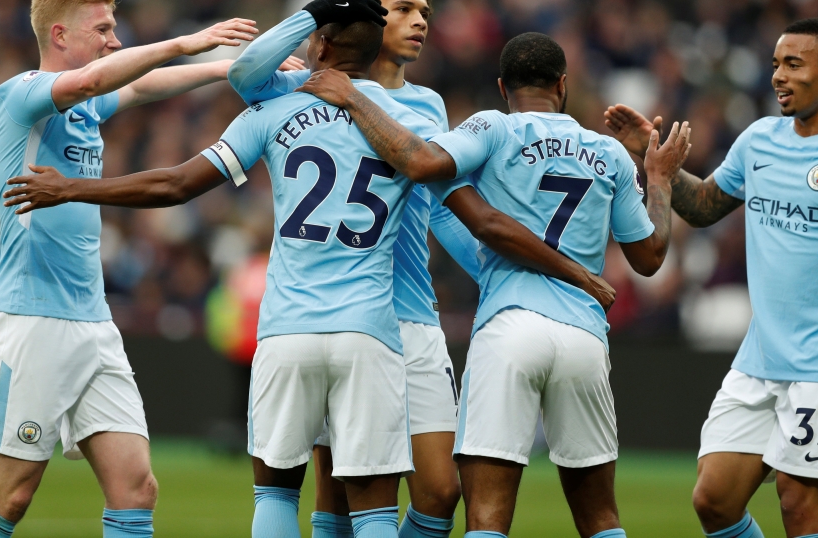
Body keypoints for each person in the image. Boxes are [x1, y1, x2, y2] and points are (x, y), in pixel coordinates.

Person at [1, 0, 613, 538]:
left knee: (276, 492)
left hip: (288, 331)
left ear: (317, 41)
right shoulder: (410, 128)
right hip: (370, 335)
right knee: (373, 508)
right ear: (378, 51)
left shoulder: (274, 111)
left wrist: (77, 188)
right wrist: (546, 273)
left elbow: (174, 185)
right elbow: (464, 214)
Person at [227, 0, 614, 538]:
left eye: (424, 10)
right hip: (346, 308)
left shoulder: (426, 105)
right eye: (403, 8)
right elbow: (245, 72)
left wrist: (492, 271)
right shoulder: (306, 85)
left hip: (410, 314)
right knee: (336, 494)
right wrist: (317, 12)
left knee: (439, 491)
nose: (420, 21)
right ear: (366, 18)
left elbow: (447, 211)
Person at [295, 32, 691, 538]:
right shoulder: (608, 151)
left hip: (510, 327)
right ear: (563, 85)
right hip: (584, 338)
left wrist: (355, 99)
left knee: (486, 520)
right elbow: (651, 257)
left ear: (503, 86)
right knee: (601, 519)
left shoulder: (492, 127)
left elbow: (422, 162)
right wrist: (659, 179)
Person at [0, 0, 272, 538]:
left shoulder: (84, 108)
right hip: (31, 319)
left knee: (136, 487)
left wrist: (227, 69)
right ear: (60, 35)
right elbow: (96, 80)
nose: (114, 39)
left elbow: (141, 87)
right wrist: (185, 40)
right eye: (102, 28)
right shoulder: (21, 95)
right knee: (9, 495)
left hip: (92, 323)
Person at [604, 17, 818, 538]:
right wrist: (654, 157)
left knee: (798, 504)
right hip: (760, 357)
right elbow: (705, 206)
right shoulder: (760, 139)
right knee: (714, 499)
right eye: (776, 64)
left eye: (794, 64)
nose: (778, 76)